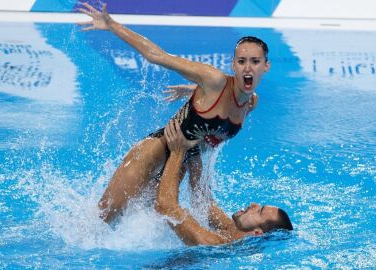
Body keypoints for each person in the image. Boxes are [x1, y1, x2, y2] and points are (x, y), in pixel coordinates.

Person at [77, 3, 270, 223]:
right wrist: (112, 25)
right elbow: (156, 56)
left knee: (141, 224)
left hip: (180, 164)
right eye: (242, 61)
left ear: (266, 66)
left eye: (255, 61)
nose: (248, 68)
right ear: (233, 65)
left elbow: (221, 109)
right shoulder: (214, 80)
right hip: (153, 153)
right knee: (101, 221)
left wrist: (194, 90)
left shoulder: (251, 103)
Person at [156, 120, 293, 246]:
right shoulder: (235, 231)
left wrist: (178, 152)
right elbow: (204, 204)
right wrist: (194, 149)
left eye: (259, 211)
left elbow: (165, 207)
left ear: (257, 233)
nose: (253, 204)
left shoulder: (212, 244)